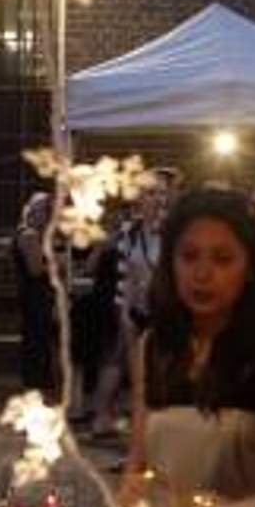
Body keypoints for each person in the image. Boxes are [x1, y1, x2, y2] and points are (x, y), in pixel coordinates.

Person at [129, 188, 255, 499]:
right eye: (188, 256)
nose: (202, 274)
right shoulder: (156, 346)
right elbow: (139, 465)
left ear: (250, 267)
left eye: (223, 259)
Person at [92, 168, 175, 438]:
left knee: (163, 376)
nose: (159, 199)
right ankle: (132, 440)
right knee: (136, 377)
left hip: (167, 314)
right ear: (140, 198)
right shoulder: (131, 232)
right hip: (138, 312)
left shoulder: (176, 230)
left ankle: (159, 438)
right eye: (152, 193)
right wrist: (125, 312)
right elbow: (126, 274)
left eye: (164, 192)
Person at [14, 191, 56, 396]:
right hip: (34, 296)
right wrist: (58, 266)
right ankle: (35, 388)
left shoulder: (35, 234)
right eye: (44, 212)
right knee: (36, 342)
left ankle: (38, 387)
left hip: (37, 295)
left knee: (40, 341)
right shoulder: (29, 235)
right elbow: (36, 269)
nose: (47, 217)